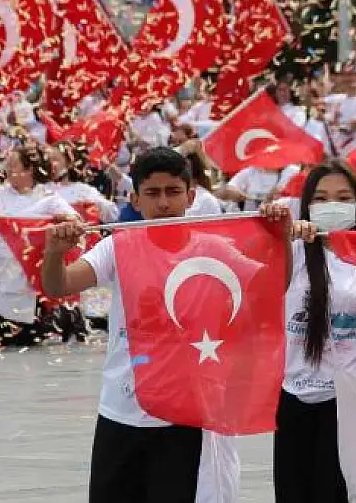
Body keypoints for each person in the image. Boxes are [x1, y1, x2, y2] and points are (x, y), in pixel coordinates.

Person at [41, 147, 214, 503]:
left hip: (179, 418)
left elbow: (273, 282)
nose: (163, 203)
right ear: (134, 197)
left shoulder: (212, 249)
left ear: (190, 195)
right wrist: (55, 252)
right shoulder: (117, 247)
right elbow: (60, 285)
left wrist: (280, 234)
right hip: (119, 413)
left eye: (172, 192)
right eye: (152, 193)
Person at [259, 161, 356, 502]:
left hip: (348, 399)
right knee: (292, 492)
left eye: (343, 197)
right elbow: (269, 278)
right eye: (320, 198)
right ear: (306, 205)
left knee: (336, 493)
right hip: (294, 393)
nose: (331, 204)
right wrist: (275, 228)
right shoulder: (296, 249)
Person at [0, 144, 76, 347]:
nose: (7, 170)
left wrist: (67, 218)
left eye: (13, 166)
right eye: (7, 165)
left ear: (29, 170)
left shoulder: (46, 197)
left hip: (30, 277)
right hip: (0, 275)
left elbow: (72, 216)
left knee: (26, 340)